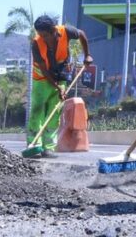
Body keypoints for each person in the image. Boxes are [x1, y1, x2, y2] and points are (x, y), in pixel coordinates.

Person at [29, 15, 92, 158]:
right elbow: (44, 69)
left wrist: (87, 55)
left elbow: (81, 34)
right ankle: (34, 145)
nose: (42, 38)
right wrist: (57, 88)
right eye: (40, 35)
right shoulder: (36, 44)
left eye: (45, 35)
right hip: (41, 78)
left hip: (60, 74)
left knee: (55, 111)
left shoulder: (66, 31)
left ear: (52, 30)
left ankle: (49, 147)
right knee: (38, 110)